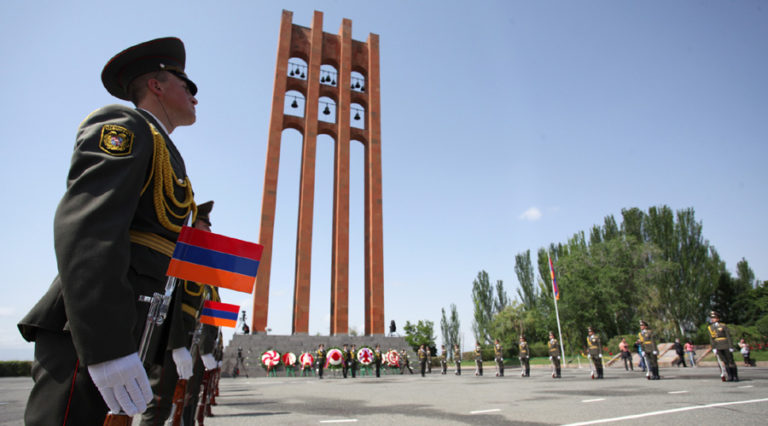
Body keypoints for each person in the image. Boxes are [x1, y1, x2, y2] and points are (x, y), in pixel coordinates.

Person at [17, 37, 199, 425]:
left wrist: (168, 342)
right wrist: (107, 343)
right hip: (91, 332)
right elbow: (90, 226)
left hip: (134, 324)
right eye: (187, 85)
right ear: (157, 85)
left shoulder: (167, 152)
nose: (194, 96)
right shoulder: (125, 125)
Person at [140, 201, 219, 426]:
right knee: (158, 405)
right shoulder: (179, 257)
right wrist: (175, 344)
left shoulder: (199, 265)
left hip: (188, 339)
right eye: (204, 225)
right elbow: (171, 303)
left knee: (180, 399)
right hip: (168, 339)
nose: (209, 230)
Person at [709, 311, 738, 381]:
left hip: (725, 345)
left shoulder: (723, 326)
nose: (712, 319)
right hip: (718, 346)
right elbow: (711, 338)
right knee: (724, 361)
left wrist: (731, 346)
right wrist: (713, 348)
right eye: (712, 318)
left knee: (730, 361)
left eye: (714, 318)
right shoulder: (710, 327)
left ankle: (735, 376)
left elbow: (728, 336)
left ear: (718, 319)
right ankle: (729, 376)